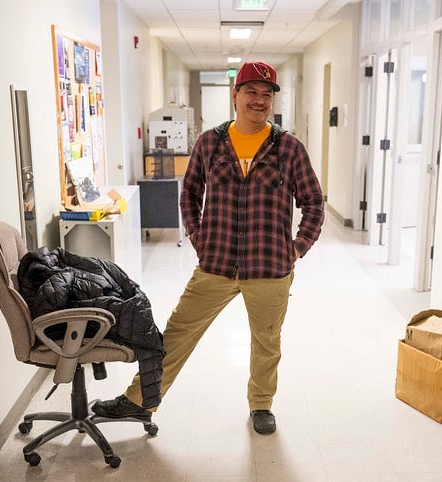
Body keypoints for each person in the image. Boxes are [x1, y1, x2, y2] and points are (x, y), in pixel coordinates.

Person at [92, 61, 324, 434]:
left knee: (267, 342)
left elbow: (313, 201)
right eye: (251, 92)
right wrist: (199, 240)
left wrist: (297, 247)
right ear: (235, 96)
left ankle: (261, 404)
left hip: (269, 267)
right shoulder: (211, 143)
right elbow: (191, 194)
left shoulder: (289, 148)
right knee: (177, 333)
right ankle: (142, 400)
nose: (259, 100)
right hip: (216, 264)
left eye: (267, 95)